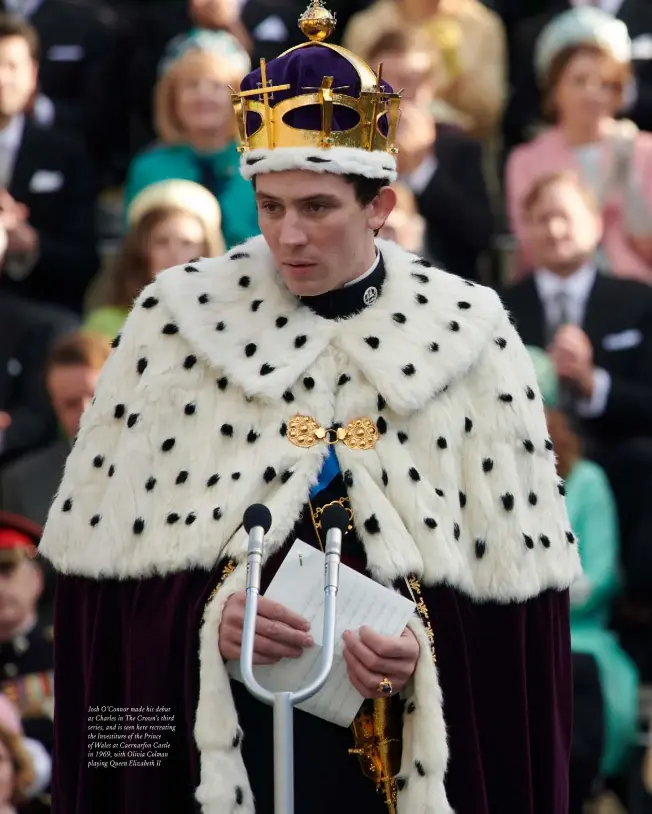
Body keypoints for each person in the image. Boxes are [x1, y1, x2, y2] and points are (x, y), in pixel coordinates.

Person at [39, 4, 581, 813]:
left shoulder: (470, 335)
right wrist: (207, 624)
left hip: (402, 757)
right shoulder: (175, 323)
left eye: (317, 207)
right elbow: (104, 627)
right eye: (271, 205)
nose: (288, 235)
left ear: (380, 206)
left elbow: (522, 637)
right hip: (225, 755)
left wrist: (421, 649)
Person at [527, 346, 638, 812]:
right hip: (499, 634)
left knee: (572, 685)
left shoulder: (587, 482)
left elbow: (597, 578)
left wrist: (528, 592)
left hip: (577, 639)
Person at [505, 7, 652, 284]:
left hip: (635, 294)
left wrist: (628, 173)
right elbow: (529, 249)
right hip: (559, 292)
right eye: (579, 81)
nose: (592, 93)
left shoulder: (645, 152)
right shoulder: (527, 159)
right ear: (554, 88)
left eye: (605, 84)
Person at [124, 29, 259, 250]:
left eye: (217, 86)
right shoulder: (148, 169)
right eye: (191, 85)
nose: (203, 96)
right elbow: (135, 256)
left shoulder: (263, 163)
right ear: (171, 97)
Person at [86, 180, 224, 340]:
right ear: (141, 249)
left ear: (206, 250)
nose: (175, 255)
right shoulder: (105, 324)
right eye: (162, 242)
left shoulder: (231, 321)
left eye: (187, 243)